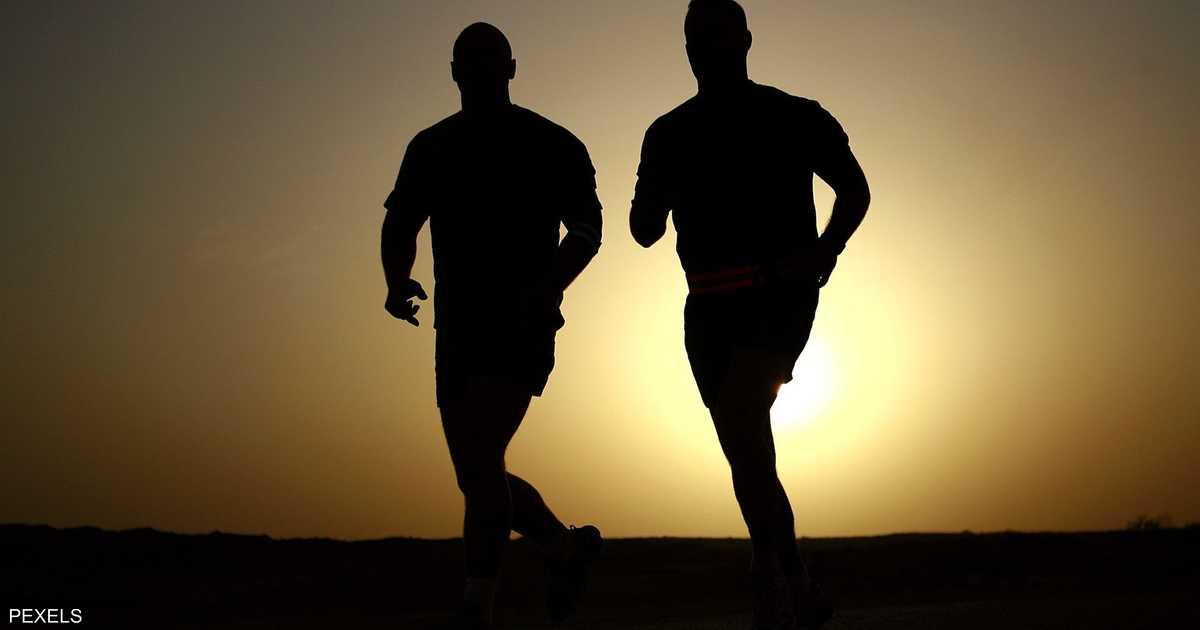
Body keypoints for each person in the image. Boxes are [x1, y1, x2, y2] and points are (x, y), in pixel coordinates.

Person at [629, 1, 871, 628]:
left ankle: (774, 580)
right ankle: (794, 580)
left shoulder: (795, 115)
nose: (703, 49)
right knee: (747, 453)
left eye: (714, 37)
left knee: (743, 429)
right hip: (707, 308)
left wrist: (825, 250)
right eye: (695, 39)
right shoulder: (668, 133)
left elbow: (855, 189)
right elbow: (644, 230)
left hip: (776, 299)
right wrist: (660, 188)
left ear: (744, 41)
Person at [380, 22, 604, 630]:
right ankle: (563, 549)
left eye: (489, 60)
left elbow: (588, 229)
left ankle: (477, 602)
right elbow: (400, 223)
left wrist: (549, 285)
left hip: (523, 324)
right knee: (477, 472)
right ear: (454, 73)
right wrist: (396, 281)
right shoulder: (431, 148)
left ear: (511, 68)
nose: (479, 71)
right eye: (469, 61)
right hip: (457, 328)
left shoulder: (553, 144)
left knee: (479, 461)